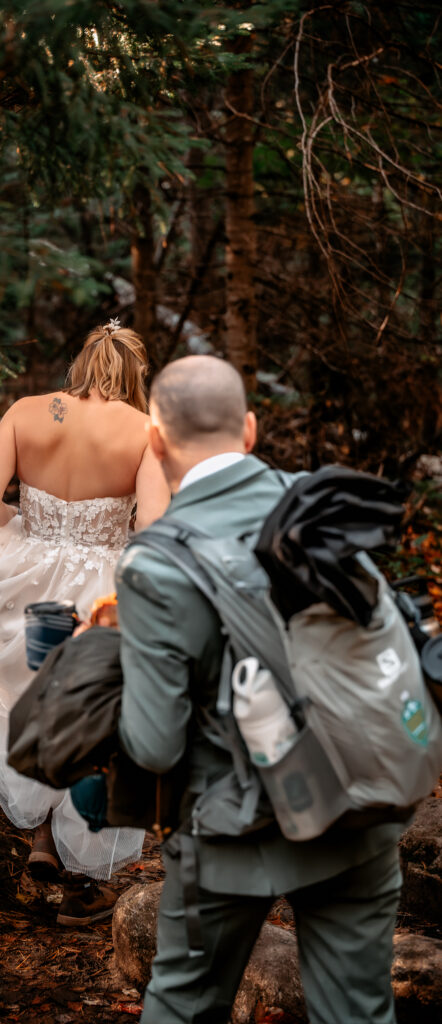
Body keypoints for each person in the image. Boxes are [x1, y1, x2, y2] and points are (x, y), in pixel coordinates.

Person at [115, 355, 406, 1023]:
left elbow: (155, 748)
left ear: (155, 441)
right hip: (358, 808)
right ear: (249, 430)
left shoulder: (156, 564)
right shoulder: (322, 511)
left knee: (184, 1007)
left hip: (231, 836)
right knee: (358, 1013)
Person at [0, 320, 170, 926]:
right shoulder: (145, 434)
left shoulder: (26, 411)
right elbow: (153, 530)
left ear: (81, 364)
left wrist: (29, 530)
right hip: (101, 586)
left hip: (27, 579)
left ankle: (41, 842)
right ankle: (82, 881)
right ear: (134, 375)